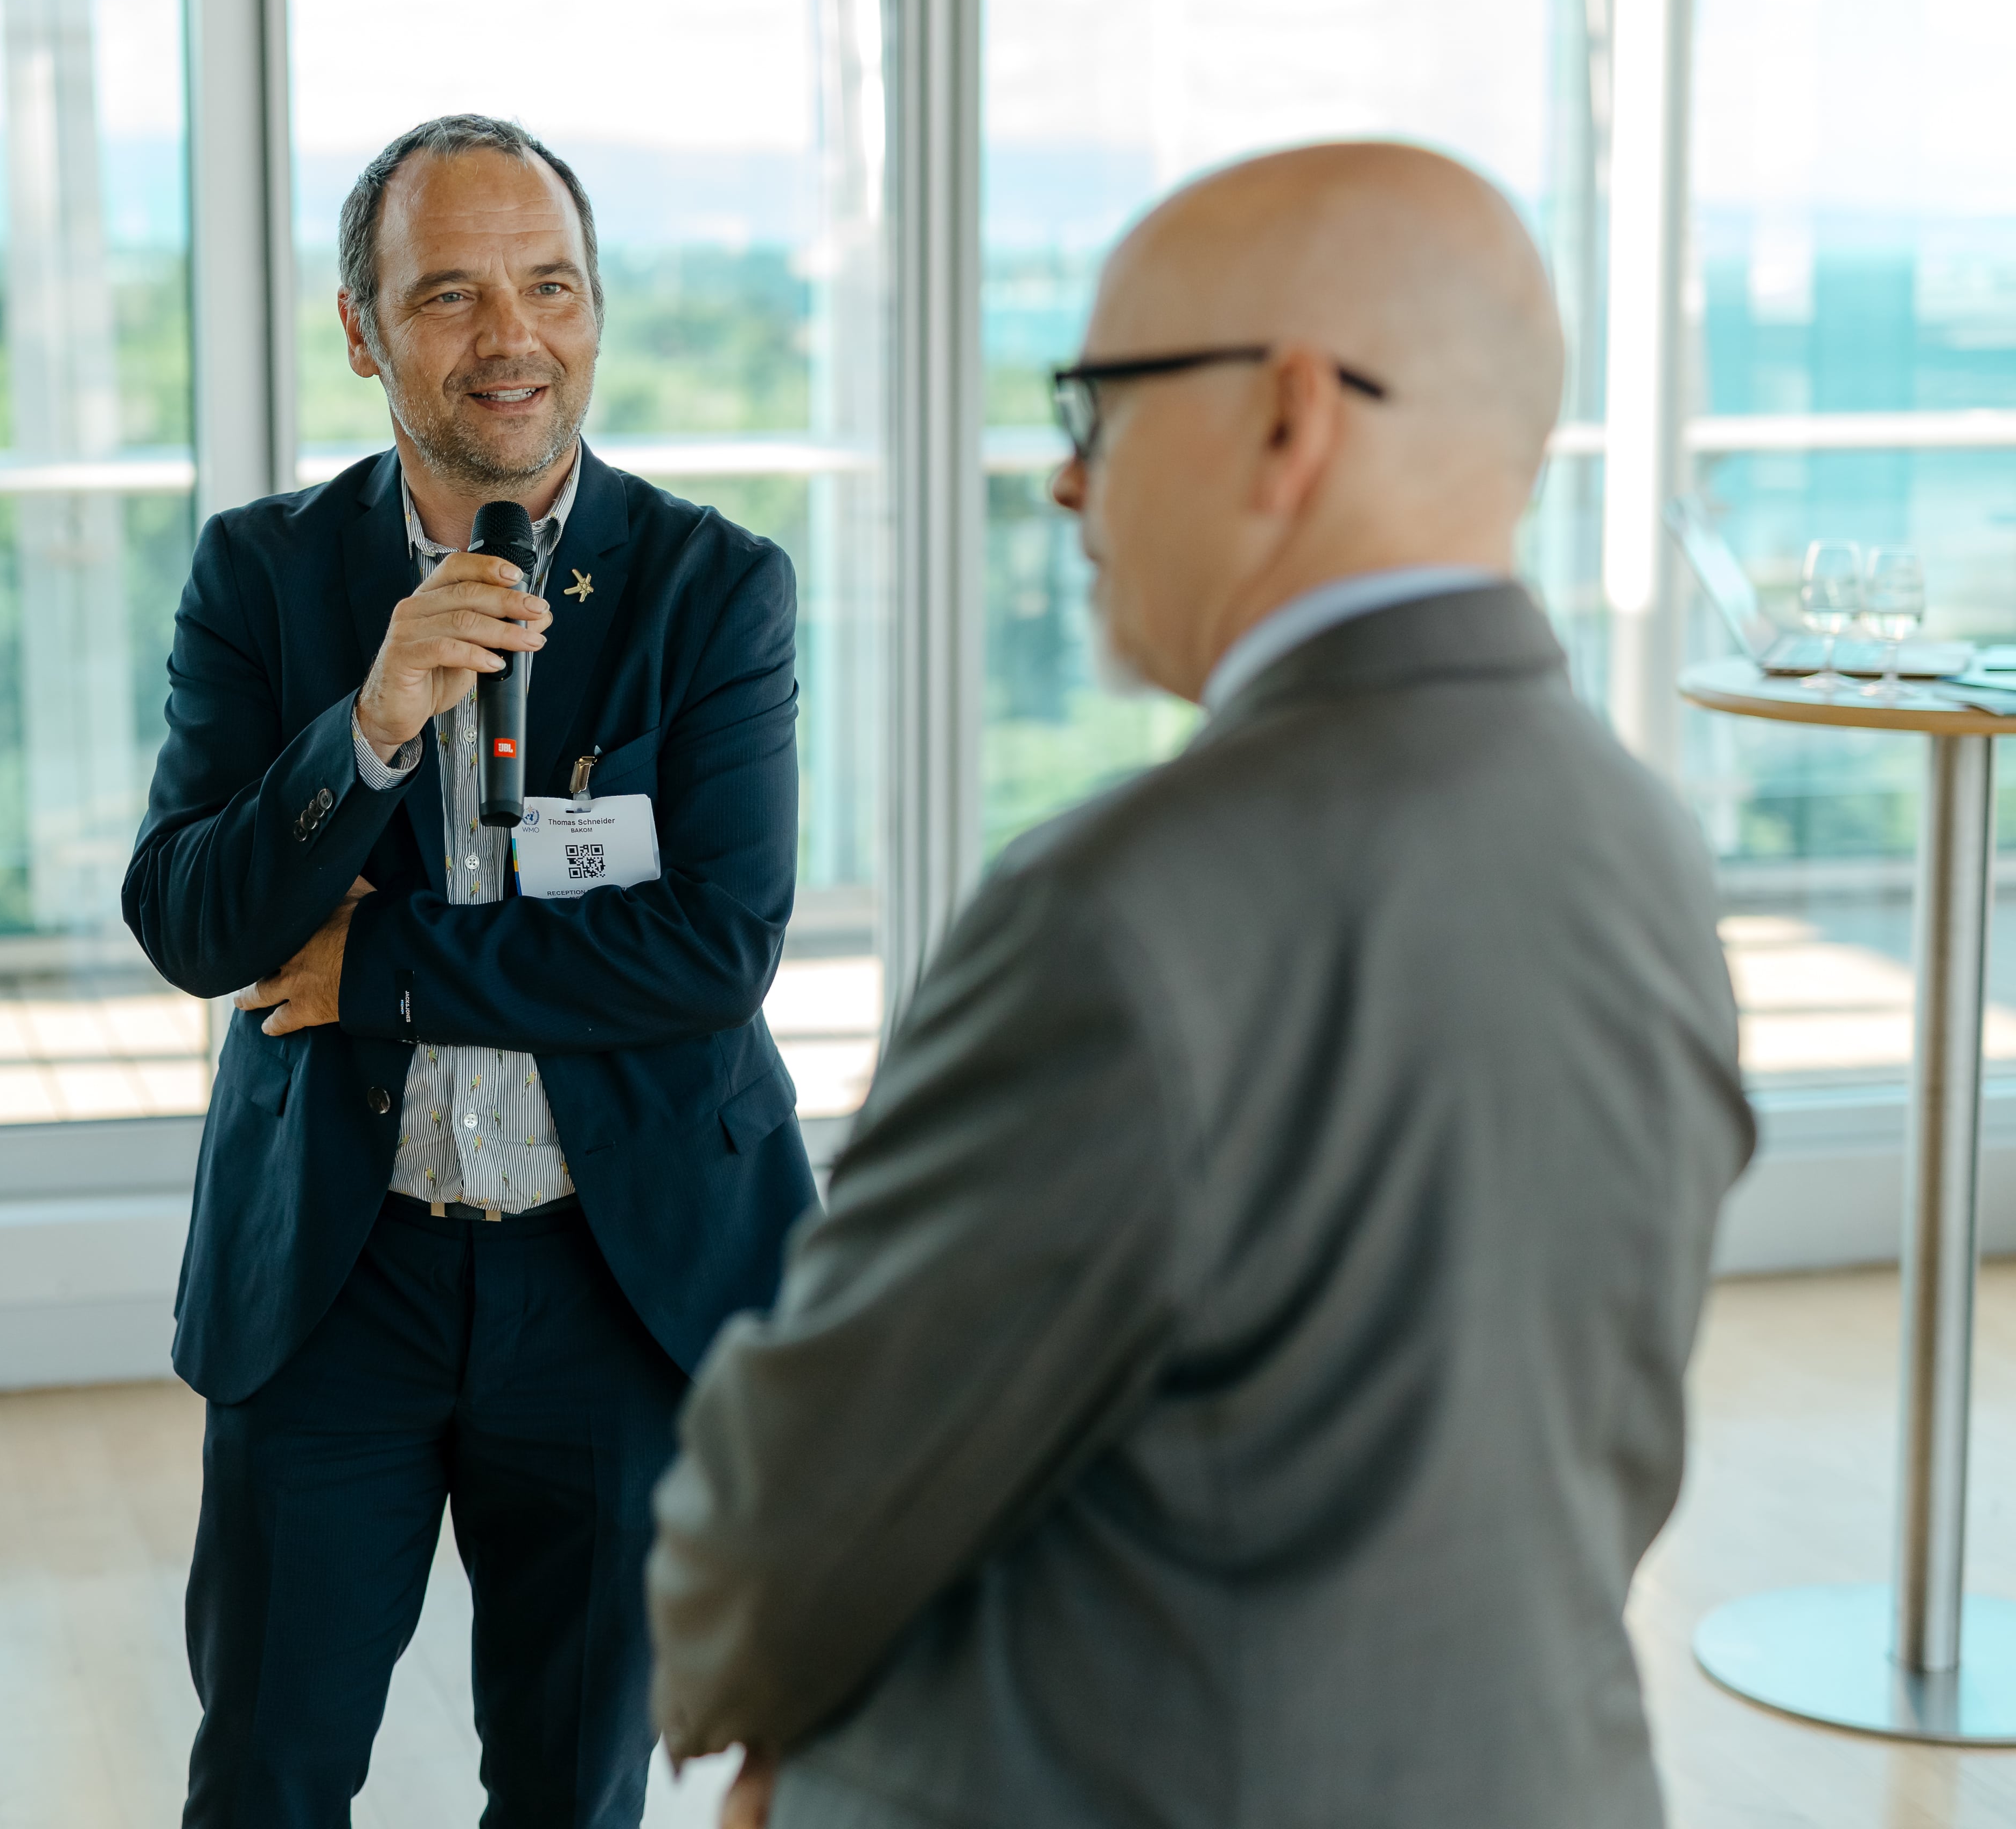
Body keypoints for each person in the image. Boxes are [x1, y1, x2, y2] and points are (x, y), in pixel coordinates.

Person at [645, 142, 1758, 1829]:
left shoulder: (1118, 908)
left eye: (1097, 406)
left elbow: (808, 1498)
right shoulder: (1642, 838)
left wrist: (745, 1711)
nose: (1067, 485)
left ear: (1292, 418)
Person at [123, 113, 814, 1827]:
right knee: (270, 1772)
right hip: (338, 1280)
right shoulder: (263, 575)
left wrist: (379, 962)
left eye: (550, 285)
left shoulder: (713, 590)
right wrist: (361, 727)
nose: (511, 336)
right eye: (448, 293)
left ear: (596, 312)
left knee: (575, 1788)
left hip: (619, 1275)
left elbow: (712, 947)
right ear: (361, 331)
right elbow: (193, 924)